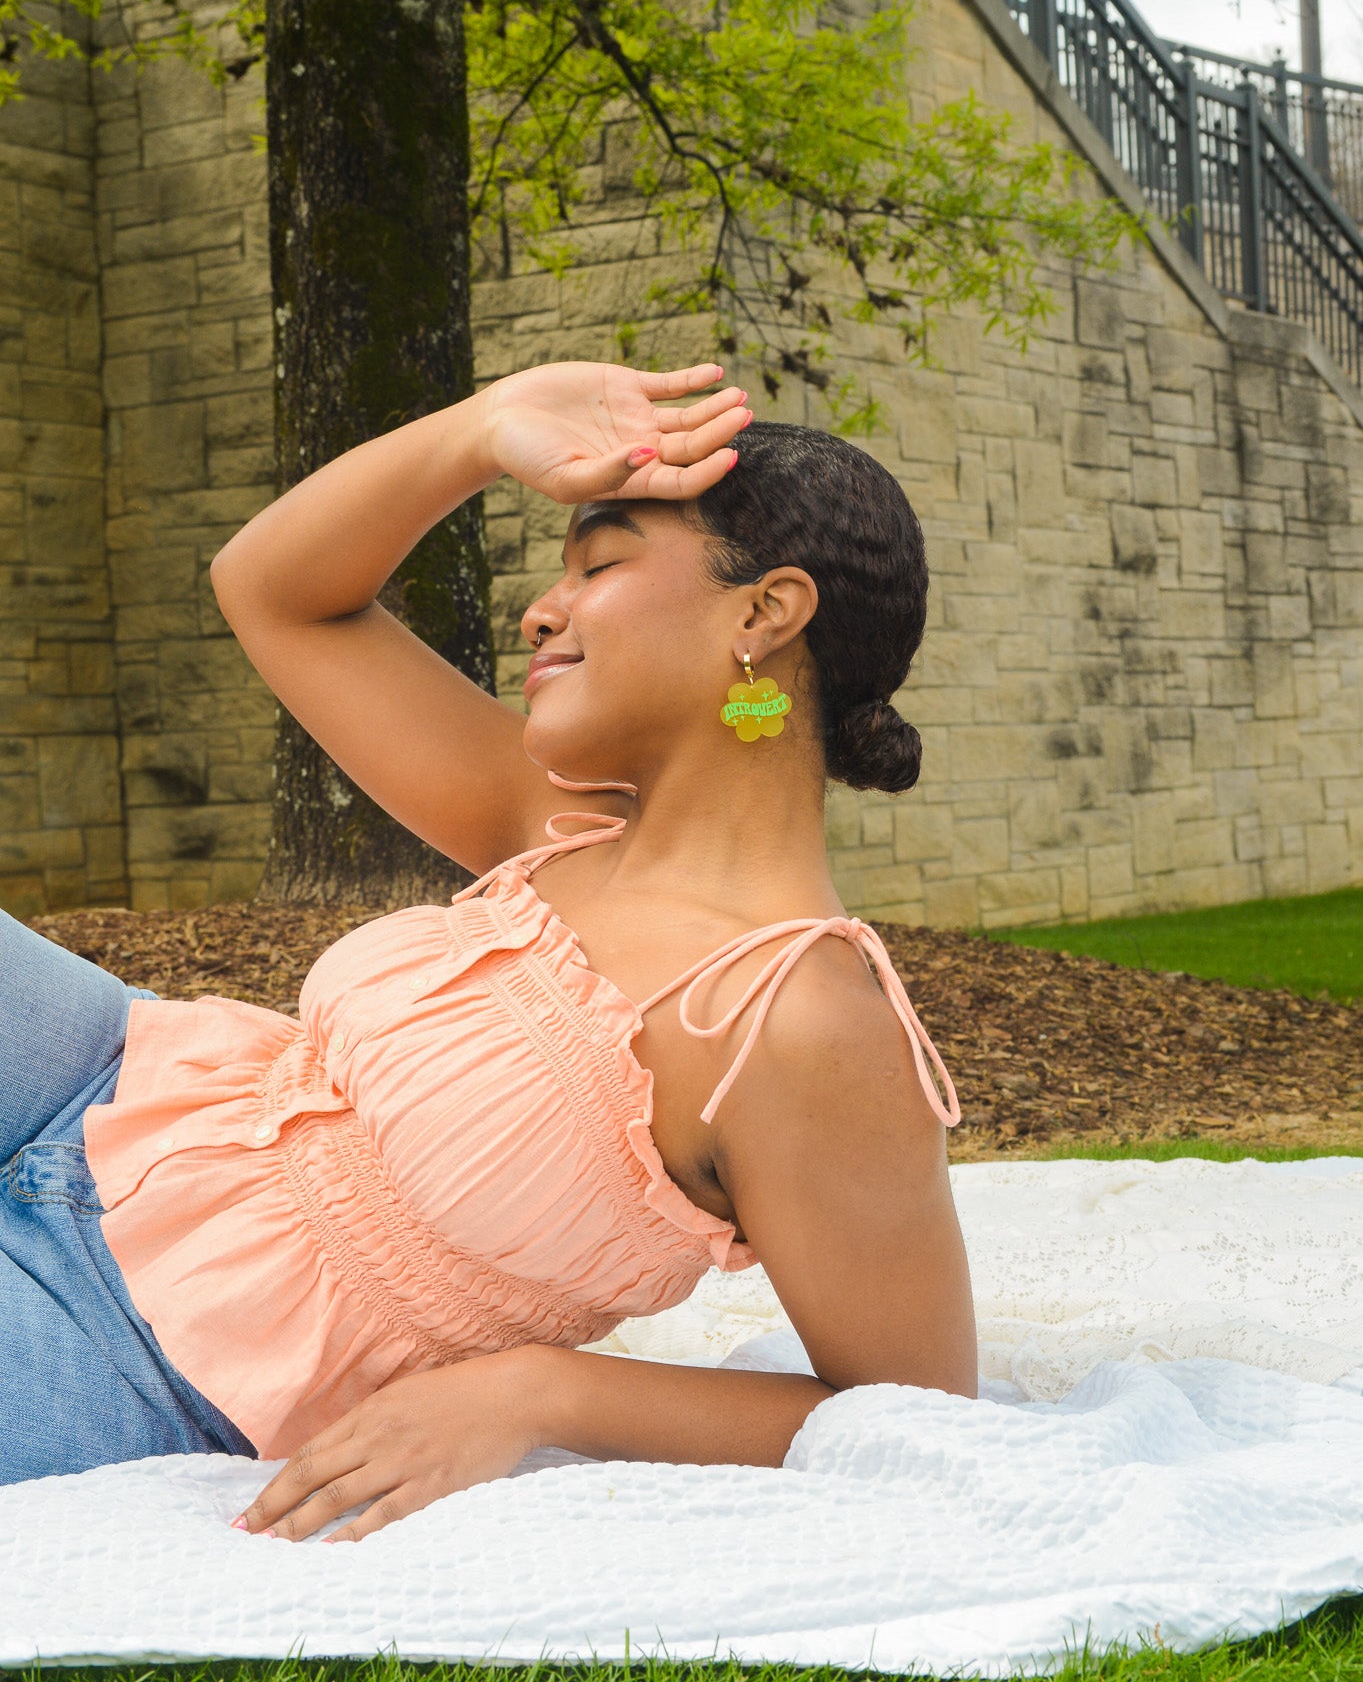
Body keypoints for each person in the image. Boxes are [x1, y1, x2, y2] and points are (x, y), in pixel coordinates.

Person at [0, 358, 974, 1539]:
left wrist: (540, 1390)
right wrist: (480, 430)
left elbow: (915, 1410)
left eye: (600, 565)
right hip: (95, 1075)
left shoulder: (800, 1019)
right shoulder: (554, 815)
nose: (541, 607)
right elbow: (271, 588)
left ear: (764, 613)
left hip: (132, 1355)